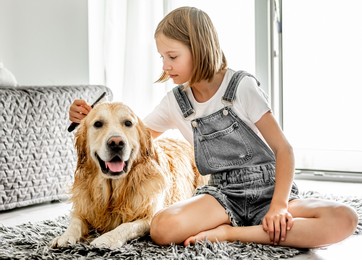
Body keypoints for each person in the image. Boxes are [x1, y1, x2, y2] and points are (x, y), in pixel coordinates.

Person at [69, 6, 358, 248]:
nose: (165, 66)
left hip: (268, 190)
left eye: (172, 56)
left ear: (199, 49)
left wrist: (279, 206)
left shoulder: (242, 87)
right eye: (162, 58)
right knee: (161, 228)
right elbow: (134, 139)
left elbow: (284, 149)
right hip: (221, 196)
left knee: (344, 218)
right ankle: (255, 230)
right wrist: (88, 120)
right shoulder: (175, 102)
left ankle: (231, 233)